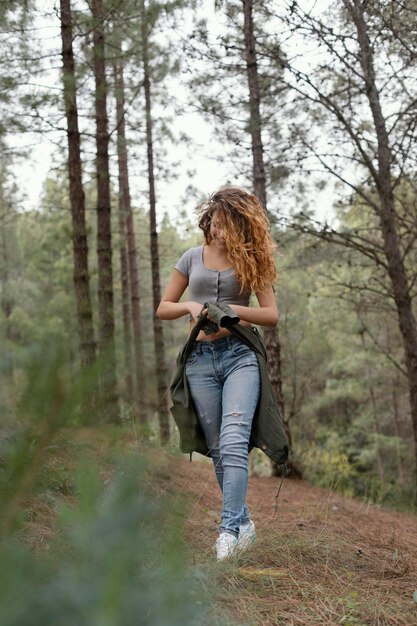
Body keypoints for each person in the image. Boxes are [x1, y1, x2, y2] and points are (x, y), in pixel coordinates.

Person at [156, 186, 279, 560]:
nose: (219, 230)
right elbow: (163, 307)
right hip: (200, 361)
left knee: (233, 439)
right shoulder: (191, 257)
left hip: (240, 355)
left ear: (240, 224)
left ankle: (227, 532)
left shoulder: (251, 261)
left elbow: (271, 315)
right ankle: (244, 524)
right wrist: (191, 306)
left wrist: (229, 311)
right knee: (219, 450)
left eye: (227, 224)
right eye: (215, 222)